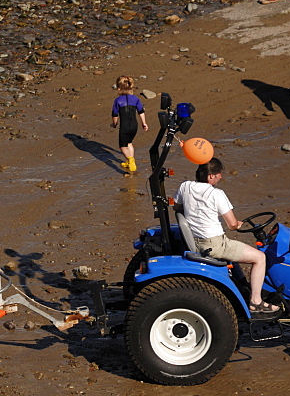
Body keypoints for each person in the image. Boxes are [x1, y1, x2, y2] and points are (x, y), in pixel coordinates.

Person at [174, 158, 279, 314]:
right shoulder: (216, 194)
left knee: (235, 248)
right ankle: (256, 302)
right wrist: (238, 224)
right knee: (259, 258)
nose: (220, 178)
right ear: (211, 176)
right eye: (218, 174)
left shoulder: (185, 186)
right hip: (215, 244)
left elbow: (177, 207)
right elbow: (231, 225)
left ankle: (242, 288)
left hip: (196, 240)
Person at [110, 76, 148, 174]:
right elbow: (141, 111)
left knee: (122, 146)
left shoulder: (118, 101)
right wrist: (144, 123)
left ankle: (131, 160)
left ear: (118, 88)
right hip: (134, 126)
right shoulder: (135, 99)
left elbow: (115, 115)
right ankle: (130, 162)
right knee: (129, 143)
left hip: (124, 127)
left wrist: (114, 124)